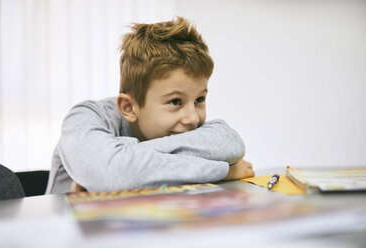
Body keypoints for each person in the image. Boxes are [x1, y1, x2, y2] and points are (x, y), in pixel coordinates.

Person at [46, 17, 254, 194]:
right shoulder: (84, 117)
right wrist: (224, 172)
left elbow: (231, 143)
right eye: (175, 102)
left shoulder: (182, 124)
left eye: (199, 99)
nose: (193, 118)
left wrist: (123, 162)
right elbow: (110, 172)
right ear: (129, 107)